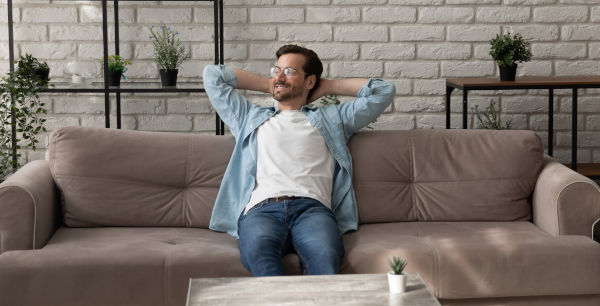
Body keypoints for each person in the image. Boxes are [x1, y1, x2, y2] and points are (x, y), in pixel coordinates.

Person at [203, 44, 395, 276]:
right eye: (277, 70)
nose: (280, 76)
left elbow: (383, 90)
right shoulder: (249, 117)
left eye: (290, 71)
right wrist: (272, 83)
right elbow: (212, 75)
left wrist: (327, 87)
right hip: (262, 211)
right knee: (260, 258)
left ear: (310, 81)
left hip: (312, 210)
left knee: (325, 259)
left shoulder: (333, 119)